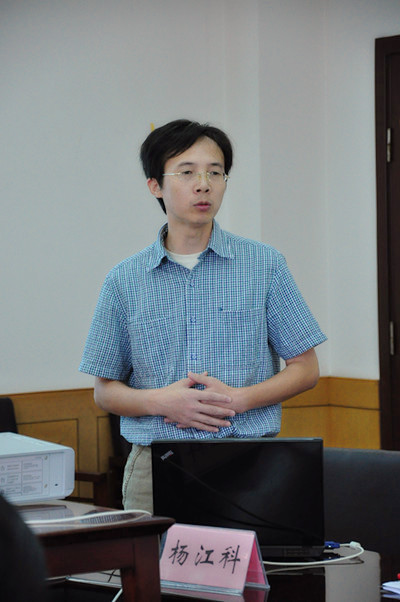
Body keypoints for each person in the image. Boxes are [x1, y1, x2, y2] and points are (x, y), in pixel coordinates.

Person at [79, 119, 327, 513]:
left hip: (250, 462)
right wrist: (161, 403)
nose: (203, 184)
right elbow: (105, 390)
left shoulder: (264, 264)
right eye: (187, 172)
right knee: (155, 557)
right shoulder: (124, 279)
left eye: (215, 172)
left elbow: (306, 368)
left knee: (256, 556)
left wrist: (239, 400)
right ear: (155, 186)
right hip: (156, 465)